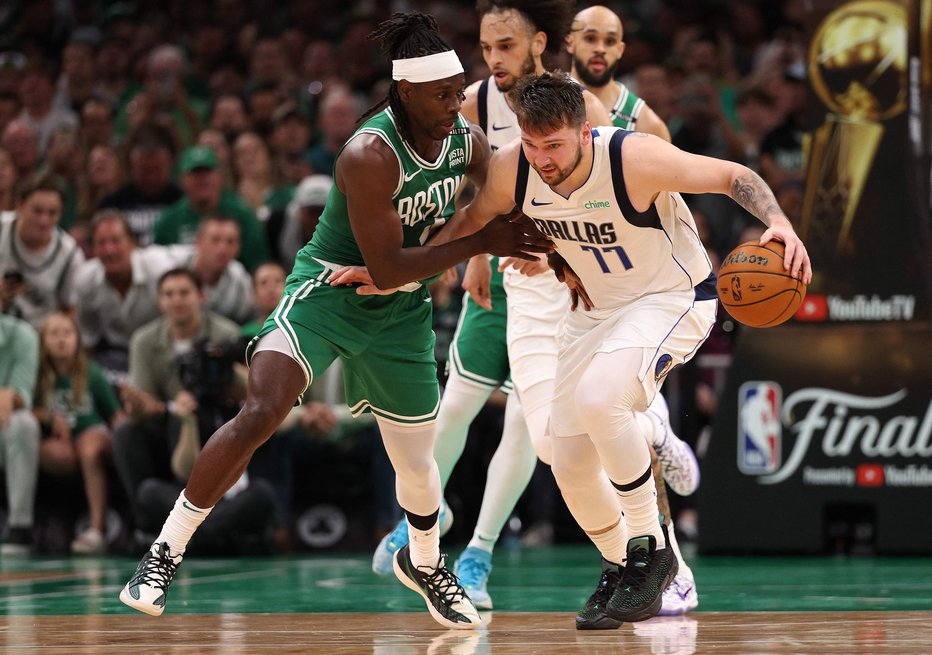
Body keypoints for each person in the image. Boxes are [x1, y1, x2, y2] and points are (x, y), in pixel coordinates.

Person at [119, 12, 549, 630]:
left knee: (418, 466)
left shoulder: (468, 140)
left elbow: (486, 204)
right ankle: (164, 552)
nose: (458, 104)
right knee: (262, 409)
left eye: (460, 91)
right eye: (444, 95)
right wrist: (477, 243)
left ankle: (425, 562)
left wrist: (483, 236)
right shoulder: (369, 153)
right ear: (405, 91)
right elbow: (389, 262)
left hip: (399, 310)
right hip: (328, 291)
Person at [453, 71, 810, 627]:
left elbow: (732, 175)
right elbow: (471, 222)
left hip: (672, 298)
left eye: (554, 146)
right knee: (562, 454)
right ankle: (621, 563)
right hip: (594, 311)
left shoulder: (632, 158)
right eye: (531, 144)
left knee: (601, 400)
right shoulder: (512, 169)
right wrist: (389, 268)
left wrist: (780, 222)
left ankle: (652, 552)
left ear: (585, 131)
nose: (542, 159)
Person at [371, 0, 611, 604]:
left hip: (562, 286)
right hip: (501, 276)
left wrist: (558, 252)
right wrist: (475, 253)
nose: (493, 59)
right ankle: (425, 518)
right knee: (453, 407)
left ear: (539, 44)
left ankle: (478, 554)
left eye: (506, 46)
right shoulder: (476, 101)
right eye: (485, 47)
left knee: (527, 427)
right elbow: (478, 186)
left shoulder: (576, 107)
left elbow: (611, 192)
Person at [568, 4, 701, 618]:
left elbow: (671, 203)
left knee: (613, 421)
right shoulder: (542, 108)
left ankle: (668, 565)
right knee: (561, 441)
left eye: (610, 40)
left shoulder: (640, 121)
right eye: (589, 37)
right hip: (560, 276)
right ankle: (657, 430)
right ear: (567, 42)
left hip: (635, 286)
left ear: (622, 51)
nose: (599, 48)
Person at [33, 312, 122, 554]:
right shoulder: (38, 376)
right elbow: (28, 409)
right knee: (49, 451)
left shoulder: (91, 373)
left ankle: (97, 529)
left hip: (92, 433)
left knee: (89, 448)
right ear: (43, 341)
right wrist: (49, 417)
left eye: (67, 333)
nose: (61, 340)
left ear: (78, 339)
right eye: (54, 334)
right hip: (61, 442)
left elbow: (115, 416)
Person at [74, 210, 187, 383]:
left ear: (132, 243)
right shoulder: (85, 280)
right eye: (101, 243)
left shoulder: (159, 270)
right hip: (112, 355)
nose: (109, 250)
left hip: (160, 349)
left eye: (116, 241)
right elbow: (88, 338)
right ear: (93, 249)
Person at [152, 145, 270, 272]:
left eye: (207, 173)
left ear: (220, 177)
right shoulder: (168, 221)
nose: (202, 180)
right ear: (182, 180)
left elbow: (259, 266)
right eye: (195, 174)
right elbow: (158, 267)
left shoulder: (243, 215)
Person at [0, 178, 84, 329]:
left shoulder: (69, 253)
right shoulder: (2, 229)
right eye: (37, 211)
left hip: (39, 336)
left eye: (52, 213)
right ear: (20, 206)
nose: (44, 220)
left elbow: (71, 309)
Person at [0, 289, 40, 555]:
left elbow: (18, 394)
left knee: (23, 423)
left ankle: (19, 527)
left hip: (3, 426)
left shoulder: (23, 334)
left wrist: (9, 396)